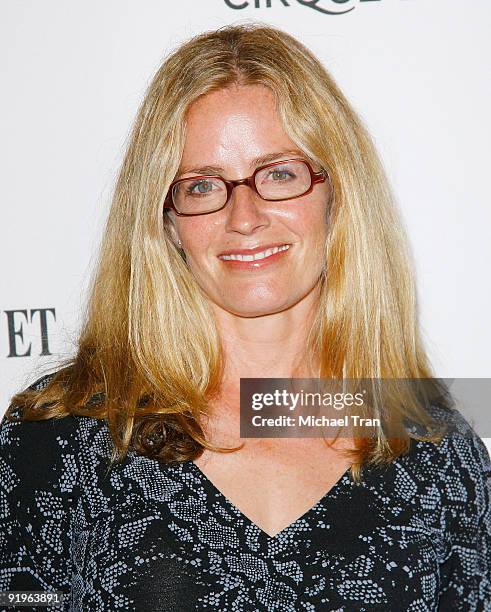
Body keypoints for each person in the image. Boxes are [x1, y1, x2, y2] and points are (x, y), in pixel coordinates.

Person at [1, 22, 490, 612]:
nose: (244, 216)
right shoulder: (61, 436)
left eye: (280, 174)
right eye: (203, 186)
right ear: (166, 221)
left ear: (338, 193)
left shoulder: (429, 443)